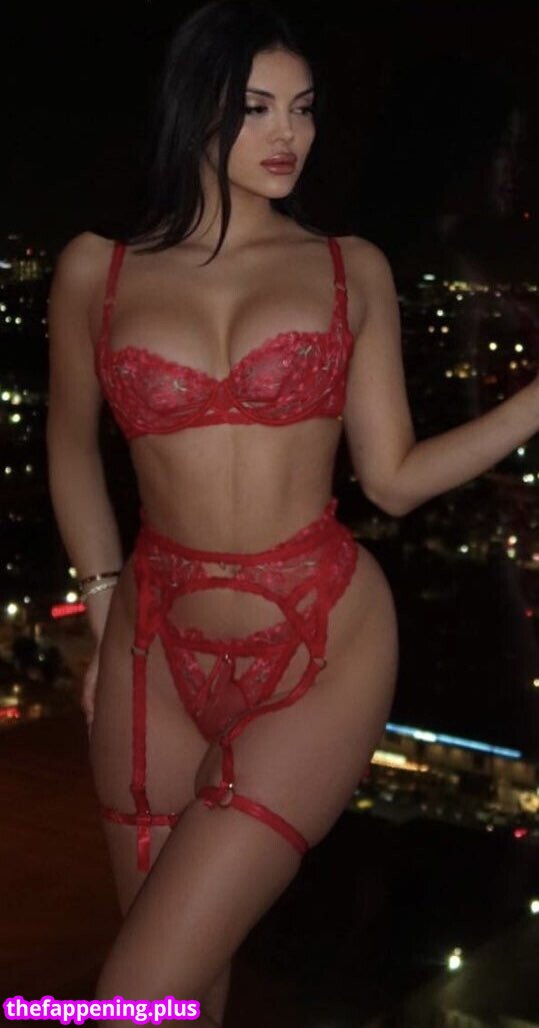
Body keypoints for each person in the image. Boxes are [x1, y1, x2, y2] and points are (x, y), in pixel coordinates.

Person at [45, 1, 539, 1024]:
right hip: (151, 650)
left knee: (131, 997)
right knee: (184, 992)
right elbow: (69, 448)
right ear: (195, 109)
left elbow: (391, 478)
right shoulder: (97, 270)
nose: (289, 135)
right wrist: (100, 610)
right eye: (258, 107)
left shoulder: (348, 267)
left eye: (303, 109)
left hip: (320, 645)